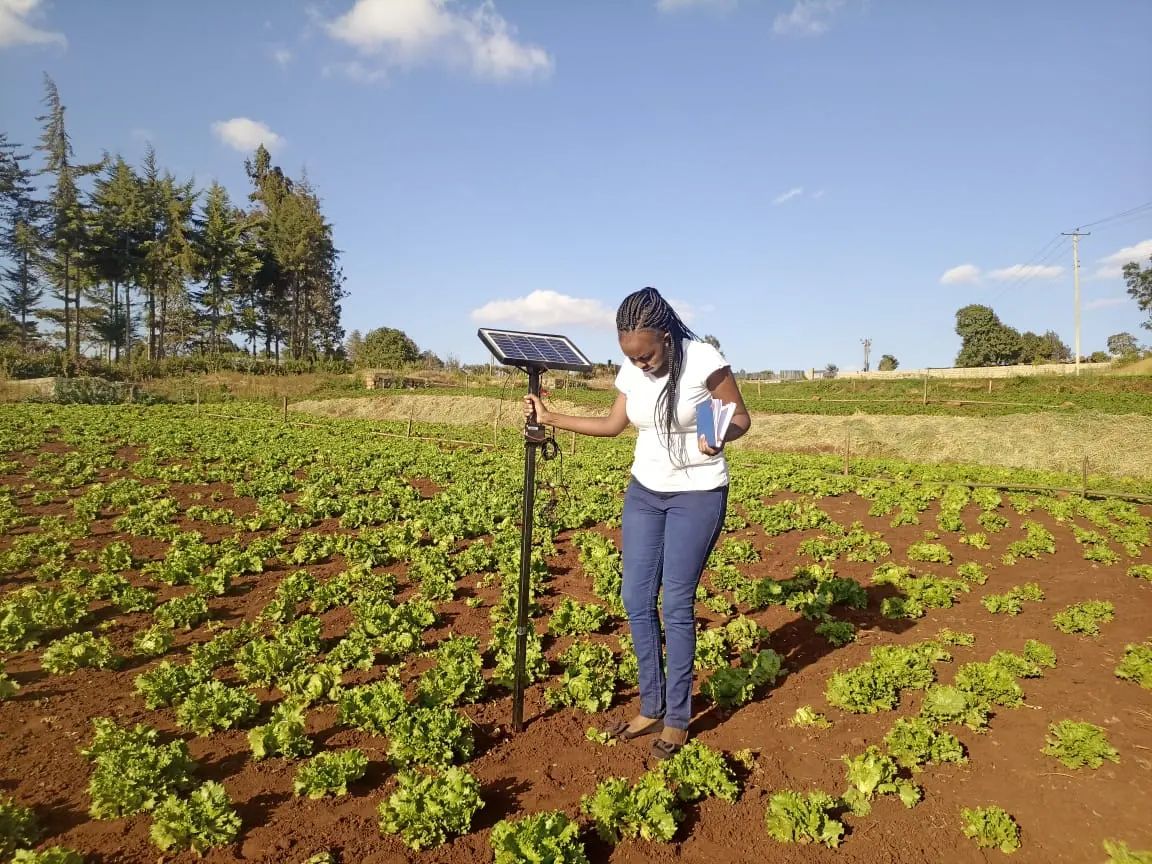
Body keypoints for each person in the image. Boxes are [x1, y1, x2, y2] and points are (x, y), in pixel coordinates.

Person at [523, 286, 751, 759]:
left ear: (666, 338)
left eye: (647, 355)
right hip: (645, 491)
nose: (641, 364)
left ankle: (677, 718)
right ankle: (651, 703)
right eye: (632, 357)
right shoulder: (634, 366)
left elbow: (742, 418)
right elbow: (612, 425)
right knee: (634, 595)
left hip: (698, 493)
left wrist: (719, 436)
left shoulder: (703, 358)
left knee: (676, 601)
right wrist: (552, 417)